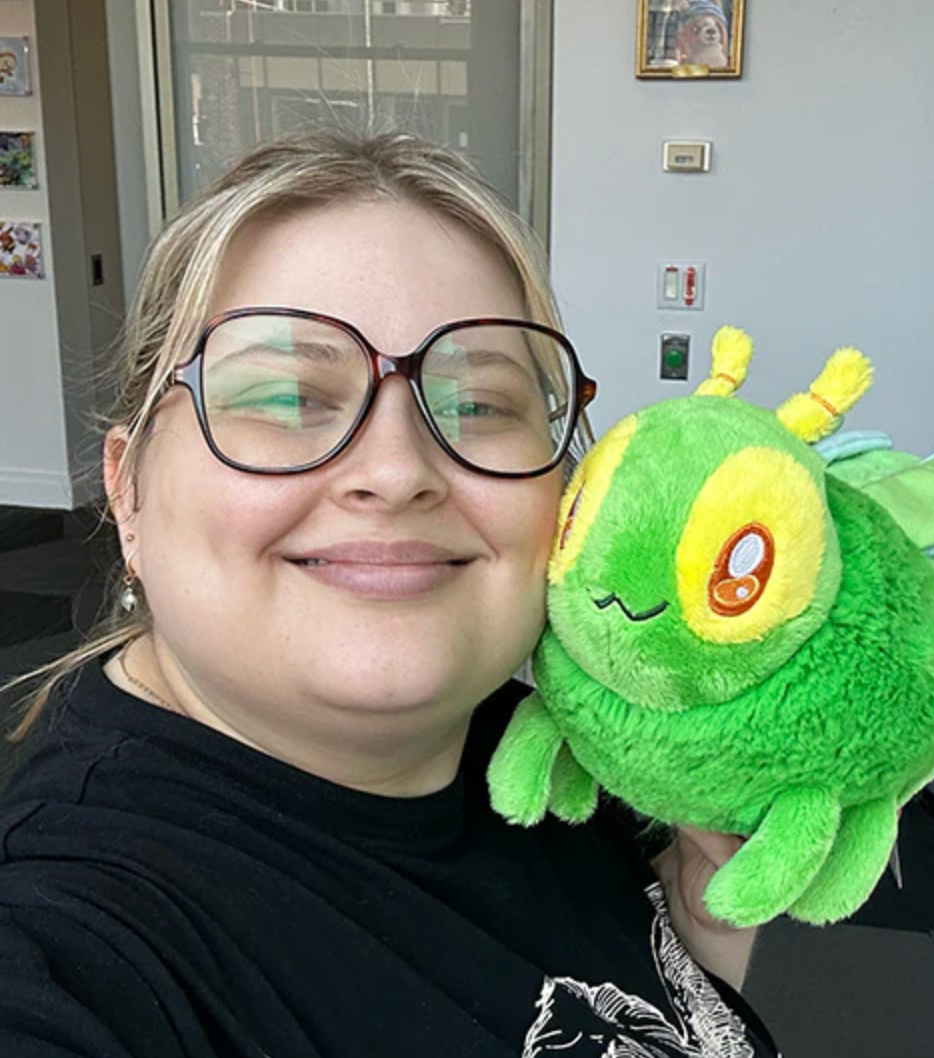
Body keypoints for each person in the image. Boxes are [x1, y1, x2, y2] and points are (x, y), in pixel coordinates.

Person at [0, 131, 776, 1057]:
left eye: (479, 404)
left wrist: (697, 934)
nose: (399, 469)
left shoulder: (553, 753)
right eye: (287, 398)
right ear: (128, 491)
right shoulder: (73, 935)